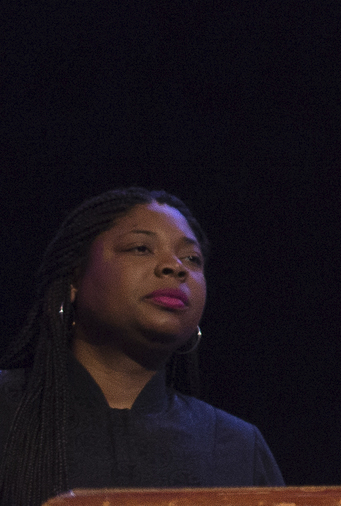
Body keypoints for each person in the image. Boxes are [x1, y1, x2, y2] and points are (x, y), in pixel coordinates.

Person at [0, 187, 280, 506]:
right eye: (140, 248)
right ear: (74, 281)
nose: (175, 267)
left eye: (192, 258)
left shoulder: (236, 445)